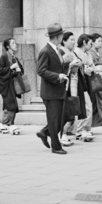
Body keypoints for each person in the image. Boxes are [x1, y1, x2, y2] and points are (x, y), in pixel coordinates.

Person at [36, 23, 70, 154]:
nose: (63, 37)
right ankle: (55, 147)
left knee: (64, 116)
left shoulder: (57, 50)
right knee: (54, 119)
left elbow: (57, 67)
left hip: (58, 90)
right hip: (50, 92)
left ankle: (45, 132)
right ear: (58, 36)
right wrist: (58, 76)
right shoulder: (45, 51)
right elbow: (41, 70)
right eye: (62, 35)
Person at [58, 31, 85, 147]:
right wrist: (70, 65)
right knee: (68, 114)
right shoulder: (61, 52)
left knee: (73, 113)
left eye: (74, 40)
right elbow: (58, 68)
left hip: (74, 85)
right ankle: (62, 135)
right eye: (71, 40)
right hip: (66, 87)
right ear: (64, 41)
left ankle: (64, 134)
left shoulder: (72, 53)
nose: (74, 42)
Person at [0, 38, 24, 135]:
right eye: (13, 43)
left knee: (10, 105)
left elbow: (21, 70)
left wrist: (18, 69)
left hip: (12, 84)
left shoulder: (14, 57)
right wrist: (11, 68)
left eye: (15, 43)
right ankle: (8, 124)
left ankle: (5, 124)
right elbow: (0, 71)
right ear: (8, 46)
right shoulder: (4, 56)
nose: (15, 44)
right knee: (11, 104)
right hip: (6, 85)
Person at [73, 33, 96, 142]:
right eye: (90, 43)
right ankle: (81, 130)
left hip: (87, 83)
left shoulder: (88, 54)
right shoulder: (76, 53)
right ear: (84, 42)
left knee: (87, 106)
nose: (91, 45)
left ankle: (83, 129)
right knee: (87, 107)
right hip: (79, 84)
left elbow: (92, 67)